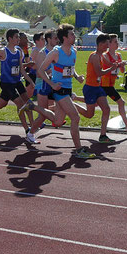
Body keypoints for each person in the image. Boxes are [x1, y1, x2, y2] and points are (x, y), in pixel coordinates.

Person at [0, 28, 56, 136]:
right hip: (7, 83)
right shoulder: (2, 51)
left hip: (17, 82)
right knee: (21, 104)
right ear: (10, 38)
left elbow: (21, 69)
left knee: (2, 104)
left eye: (19, 37)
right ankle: (28, 130)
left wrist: (31, 81)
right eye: (16, 37)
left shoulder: (19, 51)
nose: (18, 39)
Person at [33, 24, 92, 158]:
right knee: (75, 117)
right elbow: (41, 70)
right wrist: (52, 84)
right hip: (59, 90)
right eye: (72, 34)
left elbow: (70, 68)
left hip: (68, 88)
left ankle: (33, 107)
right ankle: (78, 150)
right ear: (64, 38)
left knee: (58, 121)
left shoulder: (74, 51)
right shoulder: (56, 52)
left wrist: (77, 77)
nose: (74, 36)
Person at [76, 33, 115, 143]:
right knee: (89, 115)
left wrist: (116, 64)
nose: (108, 47)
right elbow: (99, 72)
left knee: (106, 109)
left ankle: (103, 135)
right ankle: (73, 104)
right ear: (101, 44)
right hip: (90, 88)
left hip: (98, 88)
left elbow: (109, 63)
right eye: (107, 44)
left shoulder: (101, 55)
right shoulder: (94, 56)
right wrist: (112, 68)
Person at [100, 34, 127, 132]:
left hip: (110, 84)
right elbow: (109, 66)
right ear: (109, 44)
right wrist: (118, 65)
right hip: (103, 84)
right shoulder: (105, 55)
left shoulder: (118, 55)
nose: (117, 44)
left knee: (121, 102)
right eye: (115, 42)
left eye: (117, 41)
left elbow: (122, 71)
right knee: (93, 107)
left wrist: (122, 66)